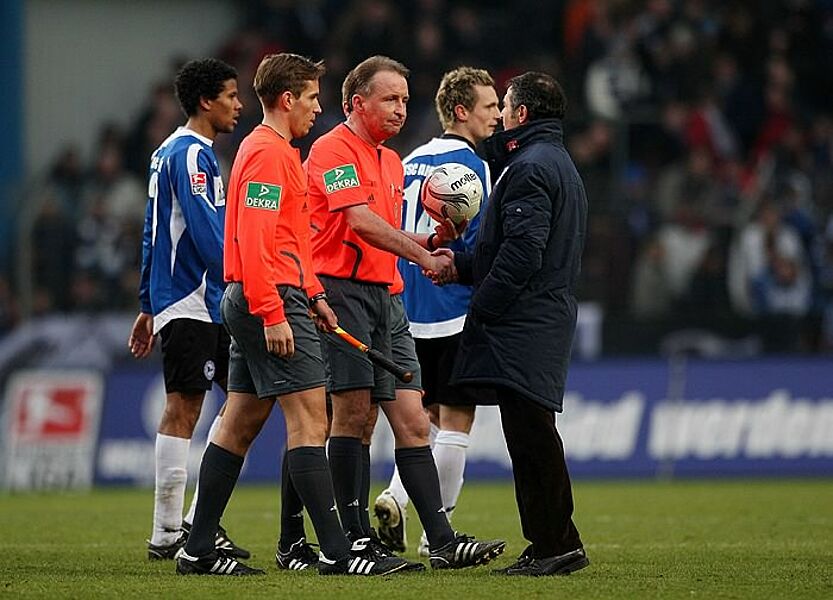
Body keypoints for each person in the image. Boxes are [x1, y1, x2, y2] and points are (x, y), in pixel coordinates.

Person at [175, 53, 416, 577]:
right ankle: (338, 551)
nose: (317, 108)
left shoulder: (273, 151)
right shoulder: (267, 154)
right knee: (310, 420)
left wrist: (315, 295)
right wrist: (273, 311)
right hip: (268, 298)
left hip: (273, 294)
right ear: (287, 100)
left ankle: (196, 549)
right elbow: (256, 239)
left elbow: (289, 241)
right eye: (311, 97)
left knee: (238, 423)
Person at [307, 54, 505, 570]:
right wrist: (425, 258)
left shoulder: (394, 161)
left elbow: (388, 233)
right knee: (354, 415)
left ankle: (441, 540)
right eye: (390, 99)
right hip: (343, 292)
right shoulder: (332, 149)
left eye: (404, 100)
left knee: (415, 421)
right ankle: (354, 540)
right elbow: (360, 223)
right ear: (357, 103)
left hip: (389, 298)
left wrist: (432, 242)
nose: (400, 109)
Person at [435, 72, 590, 576]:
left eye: (504, 106)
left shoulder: (529, 167)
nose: (499, 114)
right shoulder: (553, 162)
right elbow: (514, 249)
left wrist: (482, 307)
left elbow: (524, 253)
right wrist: (461, 266)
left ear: (521, 114)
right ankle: (555, 540)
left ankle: (554, 545)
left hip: (526, 323)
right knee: (531, 436)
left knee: (531, 438)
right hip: (540, 315)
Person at [374, 66, 501, 556]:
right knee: (456, 420)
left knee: (422, 417)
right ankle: (437, 535)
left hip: (405, 308)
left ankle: (396, 494)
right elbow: (475, 244)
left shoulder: (408, 161)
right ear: (461, 111)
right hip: (451, 307)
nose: (497, 115)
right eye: (490, 106)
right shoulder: (473, 168)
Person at [128, 57, 249, 562]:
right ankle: (167, 533)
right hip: (196, 298)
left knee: (244, 399)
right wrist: (242, 280)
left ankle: (197, 524)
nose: (238, 105)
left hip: (186, 298)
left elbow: (152, 232)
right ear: (206, 101)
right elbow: (203, 232)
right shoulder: (193, 155)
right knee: (186, 406)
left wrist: (146, 303)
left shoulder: (167, 152)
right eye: (231, 95)